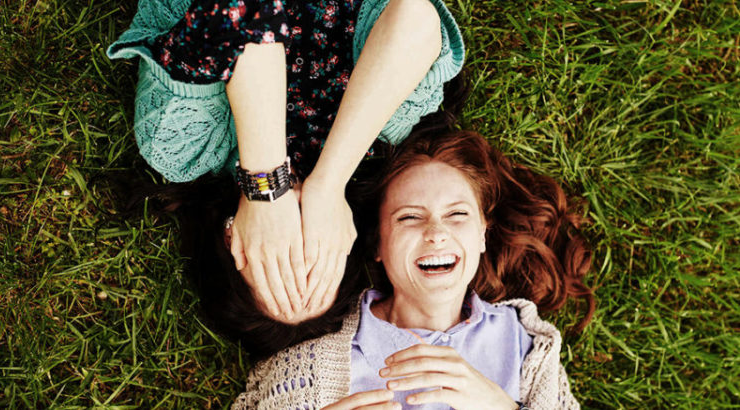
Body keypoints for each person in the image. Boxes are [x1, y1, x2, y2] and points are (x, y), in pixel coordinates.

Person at [107, 0, 465, 321]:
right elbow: (415, 17)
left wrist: (266, 187)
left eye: (275, 264)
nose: (293, 243)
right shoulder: (379, 138)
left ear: (231, 242)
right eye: (315, 263)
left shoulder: (183, 149)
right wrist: (329, 183)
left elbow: (239, 10)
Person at [231, 129, 595, 409]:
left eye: (457, 214)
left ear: (483, 235)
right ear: (377, 244)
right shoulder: (313, 357)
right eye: (409, 217)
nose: (436, 233)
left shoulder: (523, 343)